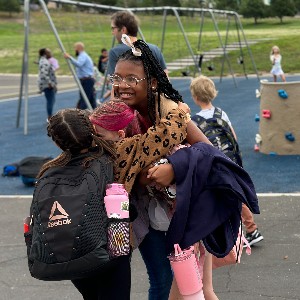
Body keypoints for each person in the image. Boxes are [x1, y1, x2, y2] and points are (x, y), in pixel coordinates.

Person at [107, 36, 211, 300]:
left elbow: (210, 153)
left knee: (187, 281)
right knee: (161, 279)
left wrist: (174, 167)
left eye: (132, 79)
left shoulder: (173, 117)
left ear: (152, 83)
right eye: (117, 78)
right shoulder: (114, 116)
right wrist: (141, 178)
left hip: (178, 213)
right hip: (138, 214)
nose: (122, 85)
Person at [38, 108, 130, 300]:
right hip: (110, 252)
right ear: (92, 130)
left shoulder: (48, 173)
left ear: (56, 142)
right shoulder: (106, 161)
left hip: (74, 256)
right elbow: (127, 211)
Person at [190, 75, 264, 247]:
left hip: (212, 164)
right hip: (230, 160)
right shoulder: (221, 113)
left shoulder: (195, 121)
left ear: (195, 97)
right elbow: (233, 136)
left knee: (218, 197)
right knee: (235, 194)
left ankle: (240, 233)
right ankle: (251, 230)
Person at [107, 10, 168, 77]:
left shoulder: (115, 52)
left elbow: (116, 82)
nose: (112, 32)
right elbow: (166, 79)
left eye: (113, 28)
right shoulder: (155, 49)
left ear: (123, 29)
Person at [64, 42, 96, 109]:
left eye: (75, 48)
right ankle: (95, 114)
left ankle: (80, 115)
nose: (74, 50)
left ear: (78, 48)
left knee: (84, 99)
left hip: (86, 80)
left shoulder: (83, 56)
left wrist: (69, 57)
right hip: (87, 80)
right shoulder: (83, 56)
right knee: (90, 99)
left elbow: (79, 64)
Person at [38, 48, 57, 121]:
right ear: (45, 54)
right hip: (48, 85)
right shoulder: (45, 62)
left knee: (51, 100)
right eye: (49, 52)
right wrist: (50, 83)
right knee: (50, 100)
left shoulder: (43, 61)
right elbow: (44, 73)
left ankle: (50, 116)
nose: (51, 53)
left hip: (48, 84)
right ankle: (49, 117)